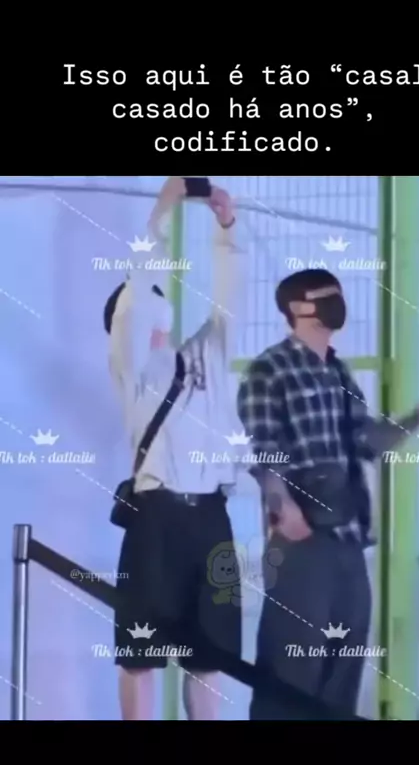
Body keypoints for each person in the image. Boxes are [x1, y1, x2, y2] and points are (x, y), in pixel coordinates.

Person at [237, 268, 419, 720]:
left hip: (349, 539)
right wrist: (283, 507)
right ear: (297, 308)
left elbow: (366, 440)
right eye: (324, 295)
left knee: (344, 667)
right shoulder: (269, 369)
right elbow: (264, 450)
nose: (336, 301)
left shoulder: (337, 371)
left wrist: (417, 418)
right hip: (302, 542)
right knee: (292, 669)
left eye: (337, 293)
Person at [105, 177, 245, 720]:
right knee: (139, 653)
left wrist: (227, 228)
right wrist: (161, 213)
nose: (156, 317)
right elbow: (140, 287)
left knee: (210, 656)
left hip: (211, 516)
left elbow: (232, 301)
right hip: (157, 517)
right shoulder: (134, 370)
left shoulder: (205, 354)